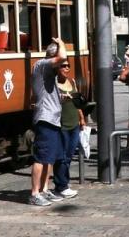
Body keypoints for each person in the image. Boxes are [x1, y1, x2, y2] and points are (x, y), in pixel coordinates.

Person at [29, 38, 68, 207]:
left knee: (49, 158)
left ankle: (44, 190)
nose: (62, 67)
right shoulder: (42, 65)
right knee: (41, 157)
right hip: (45, 118)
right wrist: (62, 43)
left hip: (53, 119)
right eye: (60, 64)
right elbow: (62, 57)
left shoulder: (50, 73)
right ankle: (34, 193)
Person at [50, 58, 83, 200]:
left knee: (68, 156)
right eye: (63, 66)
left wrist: (82, 118)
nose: (66, 68)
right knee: (62, 157)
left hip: (74, 124)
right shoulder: (53, 85)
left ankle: (63, 184)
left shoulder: (72, 82)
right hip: (62, 125)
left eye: (68, 66)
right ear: (57, 69)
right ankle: (61, 186)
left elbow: (77, 103)